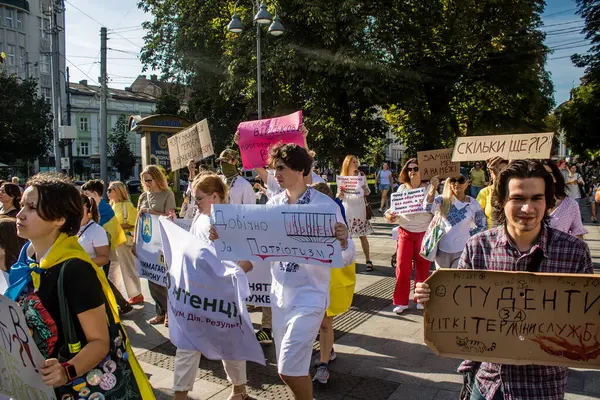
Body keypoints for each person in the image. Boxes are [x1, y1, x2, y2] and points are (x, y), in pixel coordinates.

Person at [415, 160, 594, 400]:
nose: (527, 208)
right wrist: (433, 297)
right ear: (502, 200)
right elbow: (459, 310)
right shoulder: (478, 247)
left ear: (548, 202)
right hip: (488, 382)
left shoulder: (574, 251)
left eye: (536, 199)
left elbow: (587, 320)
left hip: (543, 386)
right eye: (518, 198)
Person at [221, 143, 354, 400]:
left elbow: (346, 256)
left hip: (310, 298)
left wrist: (344, 240)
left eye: (281, 168)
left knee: (287, 368)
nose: (276, 173)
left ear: (300, 169)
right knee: (295, 367)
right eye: (274, 168)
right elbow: (256, 248)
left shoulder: (324, 206)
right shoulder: (273, 205)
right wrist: (225, 244)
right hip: (280, 299)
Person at [5, 173, 153, 398]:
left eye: (32, 207)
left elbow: (100, 342)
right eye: (22, 205)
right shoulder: (27, 261)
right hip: (39, 386)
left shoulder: (75, 270)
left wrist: (66, 371)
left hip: (76, 388)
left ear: (59, 219)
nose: (21, 214)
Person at [174, 172, 253, 400]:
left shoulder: (234, 221)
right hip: (198, 292)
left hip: (223, 295)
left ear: (215, 196)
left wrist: (222, 246)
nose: (194, 203)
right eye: (193, 197)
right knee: (188, 345)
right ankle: (180, 394)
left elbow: (247, 262)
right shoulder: (199, 218)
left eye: (198, 198)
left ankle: (239, 389)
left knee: (230, 344)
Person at [311, 182, 356, 384]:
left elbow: (348, 255)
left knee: (325, 322)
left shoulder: (339, 226)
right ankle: (327, 351)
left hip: (328, 282)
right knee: (318, 323)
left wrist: (344, 242)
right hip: (308, 283)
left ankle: (323, 365)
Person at [384, 159, 434, 314]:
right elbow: (393, 211)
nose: (412, 171)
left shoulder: (429, 189)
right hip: (405, 231)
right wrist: (389, 216)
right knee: (402, 267)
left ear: (422, 171)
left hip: (424, 232)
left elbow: (436, 209)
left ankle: (420, 299)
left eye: (416, 168)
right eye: (409, 169)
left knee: (423, 268)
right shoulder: (401, 189)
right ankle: (400, 301)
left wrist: (433, 191)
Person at [78, 194, 134, 315]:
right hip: (76, 281)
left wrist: (80, 263)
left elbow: (104, 258)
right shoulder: (69, 228)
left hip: (92, 280)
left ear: (85, 208)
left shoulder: (97, 230)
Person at [136, 165, 176, 326]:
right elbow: (138, 221)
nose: (146, 183)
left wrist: (151, 212)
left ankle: (169, 312)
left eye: (149, 180)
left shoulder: (168, 194)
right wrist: (134, 243)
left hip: (162, 242)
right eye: (144, 180)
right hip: (146, 243)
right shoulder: (142, 196)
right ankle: (160, 312)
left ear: (157, 178)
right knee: (151, 279)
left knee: (162, 278)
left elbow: (170, 217)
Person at [424, 174, 487, 269]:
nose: (457, 184)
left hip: (462, 251)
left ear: (467, 182)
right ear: (449, 183)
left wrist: (468, 236)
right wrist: (432, 187)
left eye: (461, 180)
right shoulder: (442, 200)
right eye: (453, 180)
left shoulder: (473, 204)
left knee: (455, 281)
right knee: (443, 282)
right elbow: (427, 207)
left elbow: (482, 225)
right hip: (442, 251)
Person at [107, 181, 144, 305]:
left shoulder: (126, 205)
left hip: (124, 240)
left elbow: (133, 222)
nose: (108, 193)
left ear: (118, 191)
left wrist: (115, 226)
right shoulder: (112, 205)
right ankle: (127, 294)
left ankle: (137, 294)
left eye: (110, 190)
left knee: (129, 267)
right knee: (118, 270)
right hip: (116, 242)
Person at [338, 155, 374, 271]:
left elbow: (368, 192)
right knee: (348, 236)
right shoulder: (342, 178)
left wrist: (364, 187)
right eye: (354, 162)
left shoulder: (361, 175)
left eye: (356, 162)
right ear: (347, 163)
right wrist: (341, 192)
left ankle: (368, 260)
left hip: (359, 208)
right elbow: (339, 196)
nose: (356, 164)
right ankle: (351, 261)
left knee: (363, 236)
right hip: (347, 208)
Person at [543, 160, 587, 238]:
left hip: (575, 195)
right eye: (537, 174)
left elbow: (578, 235)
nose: (541, 177)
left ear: (555, 178)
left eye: (546, 173)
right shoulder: (527, 204)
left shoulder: (570, 205)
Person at [476, 157, 509, 229]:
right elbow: (477, 216)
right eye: (497, 170)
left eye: (503, 171)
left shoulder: (513, 191)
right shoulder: (484, 192)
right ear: (491, 173)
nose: (499, 174)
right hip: (491, 235)